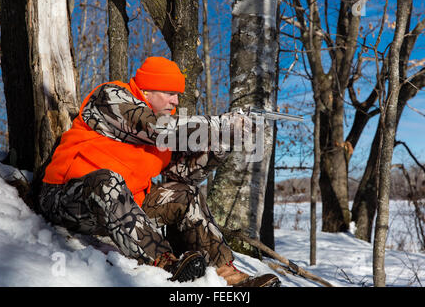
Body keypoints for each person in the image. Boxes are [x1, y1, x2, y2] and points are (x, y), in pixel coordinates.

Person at [39, 56, 280, 287]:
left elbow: (186, 174)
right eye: (170, 93)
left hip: (126, 210)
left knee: (186, 194)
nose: (176, 101)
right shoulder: (111, 98)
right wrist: (218, 125)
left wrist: (224, 141)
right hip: (67, 198)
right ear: (146, 91)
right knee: (107, 180)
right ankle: (164, 261)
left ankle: (224, 270)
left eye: (177, 95)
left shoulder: (166, 131)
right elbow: (154, 129)